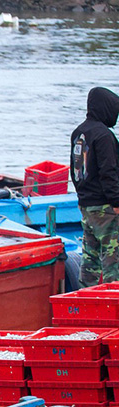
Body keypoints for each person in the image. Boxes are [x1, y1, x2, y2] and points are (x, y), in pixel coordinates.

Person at [71, 87, 119, 287]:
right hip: (105, 207)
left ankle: (84, 297)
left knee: (89, 257)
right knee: (112, 259)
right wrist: (116, 202)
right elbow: (109, 172)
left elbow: (75, 170)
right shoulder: (104, 136)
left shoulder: (79, 132)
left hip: (86, 205)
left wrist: (83, 196)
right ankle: (113, 301)